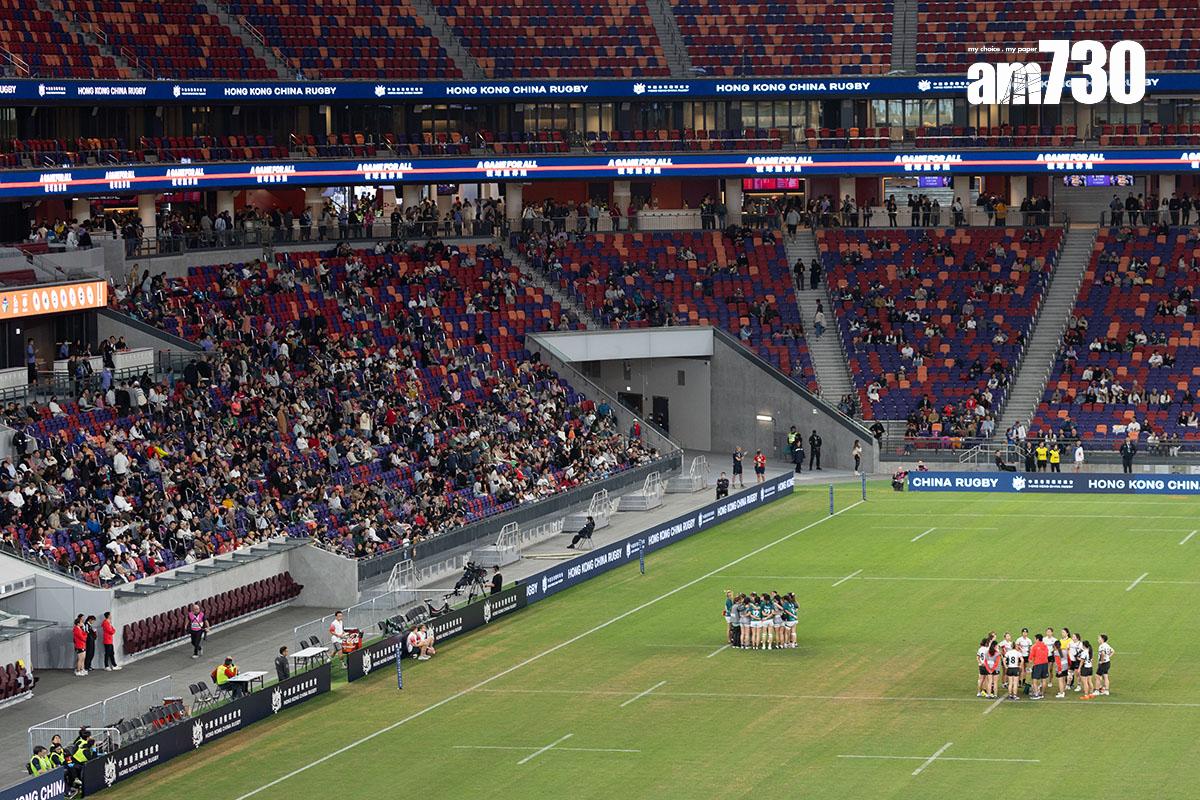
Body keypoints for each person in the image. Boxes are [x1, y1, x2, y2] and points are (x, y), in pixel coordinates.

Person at [1028, 633, 1049, 700]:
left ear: (1037, 639)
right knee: (1044, 679)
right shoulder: (1045, 646)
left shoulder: (1034, 646)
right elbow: (1047, 654)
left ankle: (1036, 694)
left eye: (1035, 639)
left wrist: (1030, 667)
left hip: (1037, 665)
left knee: (1034, 680)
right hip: (1045, 664)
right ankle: (1042, 694)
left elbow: (1030, 658)